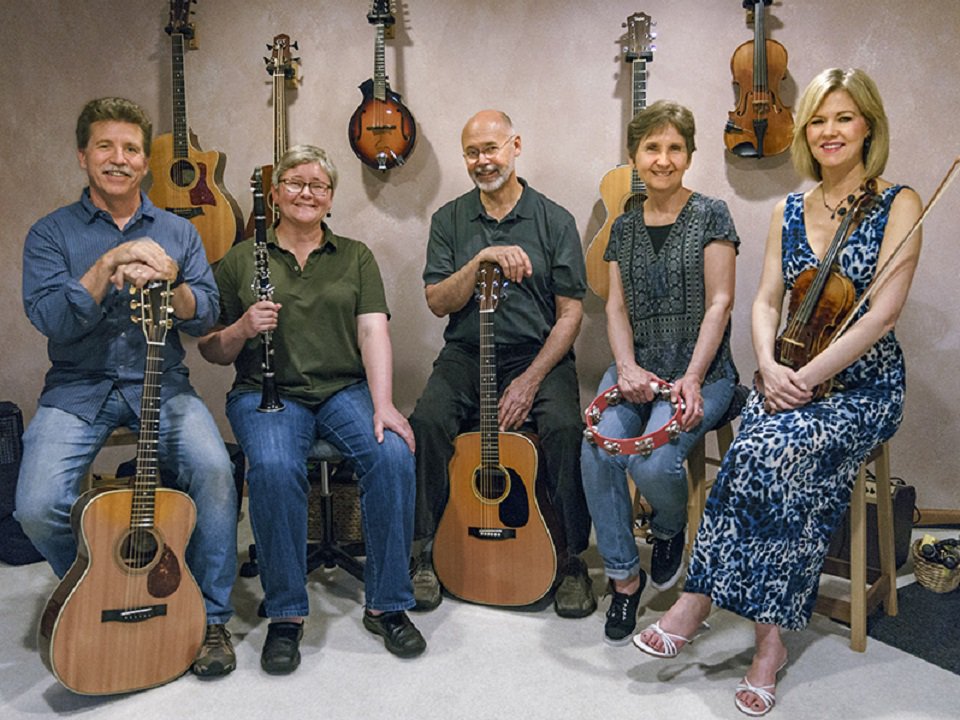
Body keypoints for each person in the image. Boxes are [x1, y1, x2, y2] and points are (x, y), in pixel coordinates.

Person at [634, 68, 923, 717]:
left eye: (843, 117)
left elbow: (880, 315)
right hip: (787, 372)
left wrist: (808, 379)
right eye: (819, 119)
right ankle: (748, 626)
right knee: (755, 446)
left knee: (776, 450)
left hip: (863, 387)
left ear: (868, 125)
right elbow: (764, 301)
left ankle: (731, 621)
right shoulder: (788, 210)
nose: (829, 131)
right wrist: (768, 364)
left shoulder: (898, 204)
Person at [17, 97, 238, 677]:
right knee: (35, 506)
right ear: (83, 155)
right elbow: (52, 319)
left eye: (132, 149)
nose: (120, 159)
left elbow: (205, 311)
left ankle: (212, 617)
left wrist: (174, 281)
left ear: (146, 162)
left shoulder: (179, 230)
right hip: (78, 387)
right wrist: (108, 262)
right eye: (106, 147)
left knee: (215, 470)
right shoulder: (50, 235)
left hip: (161, 382)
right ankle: (95, 586)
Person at [198, 144, 425, 674]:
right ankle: (286, 614)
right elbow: (212, 349)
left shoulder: (354, 256)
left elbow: (373, 330)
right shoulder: (238, 259)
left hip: (343, 389)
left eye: (318, 185)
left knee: (392, 455)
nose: (307, 193)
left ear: (330, 198)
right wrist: (241, 328)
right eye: (295, 183)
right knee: (275, 469)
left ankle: (388, 603)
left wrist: (385, 404)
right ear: (275, 194)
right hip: (264, 392)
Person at [408, 109, 594, 617]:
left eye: (491, 148)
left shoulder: (554, 220)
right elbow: (438, 301)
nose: (482, 161)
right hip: (469, 351)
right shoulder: (449, 220)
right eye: (472, 152)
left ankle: (574, 559)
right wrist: (480, 260)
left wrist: (532, 380)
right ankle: (423, 550)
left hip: (539, 354)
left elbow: (571, 312)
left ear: (516, 145)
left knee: (561, 427)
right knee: (425, 421)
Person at [580, 100, 740, 643]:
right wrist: (624, 366)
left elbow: (720, 303)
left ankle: (669, 531)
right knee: (596, 450)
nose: (663, 159)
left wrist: (692, 378)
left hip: (703, 374)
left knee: (652, 465)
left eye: (675, 148)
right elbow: (615, 309)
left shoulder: (713, 214)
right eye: (652, 148)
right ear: (634, 157)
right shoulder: (623, 226)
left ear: (690, 156)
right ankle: (625, 578)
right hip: (637, 372)